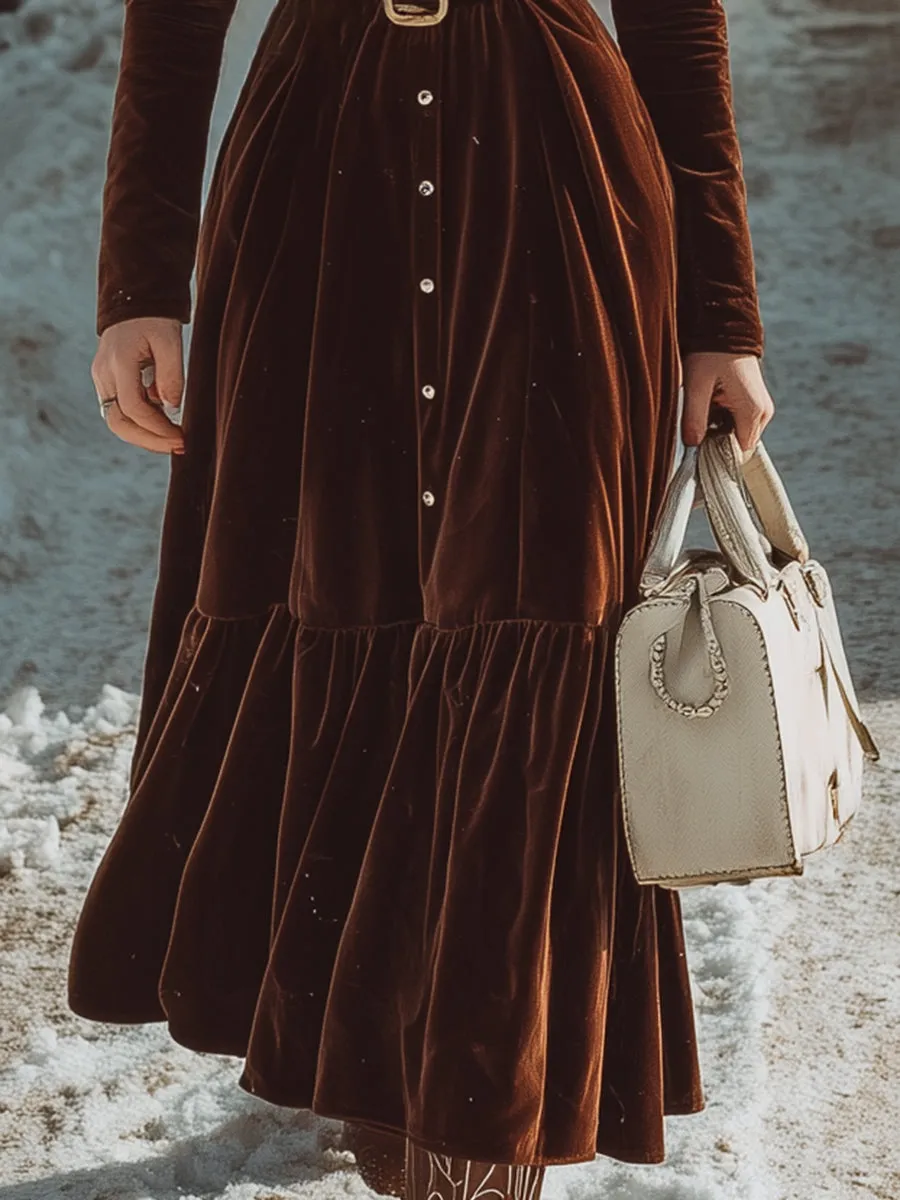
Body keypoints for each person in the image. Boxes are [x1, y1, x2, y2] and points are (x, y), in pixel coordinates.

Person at [67, 0, 775, 1194]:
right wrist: (139, 279)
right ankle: (372, 1055)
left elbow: (676, 20)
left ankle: (480, 1121)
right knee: (338, 590)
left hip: (559, 189)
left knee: (538, 611)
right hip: (316, 186)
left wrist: (722, 313)